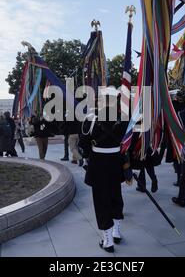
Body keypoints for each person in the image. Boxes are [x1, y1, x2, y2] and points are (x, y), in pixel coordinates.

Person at [79, 88, 131, 253]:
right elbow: (127, 145)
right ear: (115, 100)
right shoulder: (123, 119)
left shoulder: (91, 119)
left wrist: (89, 156)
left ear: (100, 100)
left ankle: (108, 241)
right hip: (116, 163)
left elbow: (84, 145)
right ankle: (116, 232)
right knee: (116, 196)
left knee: (101, 202)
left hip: (98, 164)